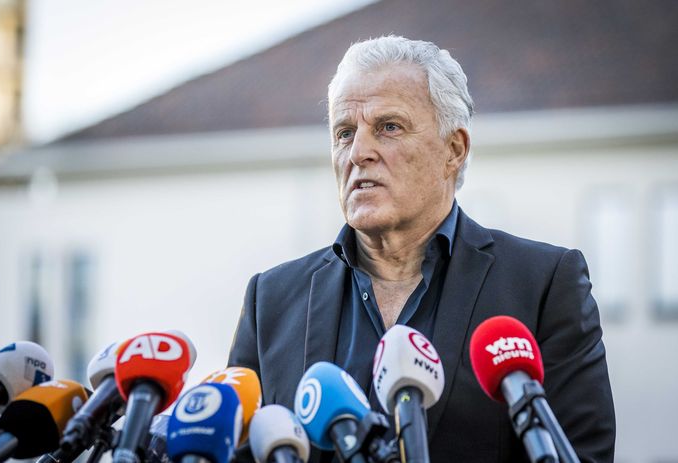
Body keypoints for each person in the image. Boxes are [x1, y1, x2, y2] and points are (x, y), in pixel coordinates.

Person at [229, 35, 615, 462]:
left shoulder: (543, 284)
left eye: (388, 127)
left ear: (454, 149)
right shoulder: (271, 300)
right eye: (344, 133)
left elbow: (582, 452)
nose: (358, 152)